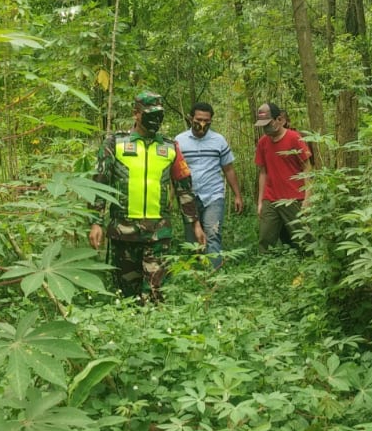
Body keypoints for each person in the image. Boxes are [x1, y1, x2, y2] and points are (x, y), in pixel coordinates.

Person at [89, 90, 206, 303]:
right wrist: (96, 222)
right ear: (136, 113)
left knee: (154, 293)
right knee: (127, 296)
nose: (156, 120)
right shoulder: (115, 143)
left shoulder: (170, 147)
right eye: (150, 114)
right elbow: (99, 184)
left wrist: (195, 224)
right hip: (123, 232)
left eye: (159, 115)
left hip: (158, 233)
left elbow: (184, 189)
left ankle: (155, 330)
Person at [175, 102, 245, 268]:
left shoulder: (218, 140)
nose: (202, 123)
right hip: (188, 197)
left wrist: (237, 195)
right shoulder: (179, 141)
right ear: (191, 118)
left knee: (213, 234)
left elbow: (228, 169)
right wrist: (171, 196)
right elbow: (175, 171)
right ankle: (196, 277)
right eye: (199, 119)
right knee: (192, 239)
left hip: (214, 194)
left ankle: (214, 275)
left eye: (207, 120)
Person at [253, 102, 313, 252]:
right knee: (265, 239)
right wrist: (260, 202)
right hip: (271, 197)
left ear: (279, 120)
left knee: (303, 239)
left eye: (268, 123)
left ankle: (308, 268)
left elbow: (307, 168)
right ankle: (266, 269)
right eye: (262, 125)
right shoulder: (263, 143)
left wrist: (308, 198)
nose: (265, 128)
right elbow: (263, 172)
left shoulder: (294, 138)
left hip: (294, 197)